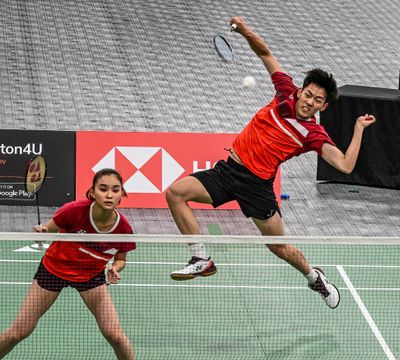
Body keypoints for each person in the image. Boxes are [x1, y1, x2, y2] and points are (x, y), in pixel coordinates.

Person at [166, 16, 376, 310]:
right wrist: (245, 31)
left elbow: (344, 165)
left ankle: (314, 276)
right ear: (301, 90)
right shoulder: (284, 93)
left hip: (257, 186)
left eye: (318, 101)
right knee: (175, 193)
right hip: (228, 170)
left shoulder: (313, 134)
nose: (310, 101)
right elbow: (266, 53)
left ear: (324, 107)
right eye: (309, 94)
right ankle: (201, 258)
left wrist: (357, 130)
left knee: (277, 246)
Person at [0, 168, 136, 360]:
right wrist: (43, 230)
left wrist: (115, 268)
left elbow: (121, 258)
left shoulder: (123, 228)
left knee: (116, 336)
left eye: (115, 190)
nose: (109, 195)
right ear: (93, 191)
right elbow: (49, 228)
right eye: (103, 189)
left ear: (122, 193)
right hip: (54, 270)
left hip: (90, 276)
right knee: (19, 332)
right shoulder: (74, 210)